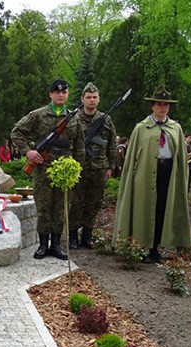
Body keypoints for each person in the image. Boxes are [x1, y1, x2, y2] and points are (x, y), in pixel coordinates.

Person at [113, 86, 191, 263]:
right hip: (145, 174)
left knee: (162, 209)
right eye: (159, 104)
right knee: (144, 209)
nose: (163, 108)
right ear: (153, 106)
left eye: (166, 105)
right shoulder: (141, 128)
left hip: (167, 173)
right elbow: (132, 157)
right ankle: (141, 247)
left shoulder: (175, 128)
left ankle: (155, 248)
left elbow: (180, 156)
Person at [10, 78, 85, 260]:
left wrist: (77, 168)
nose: (61, 95)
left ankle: (56, 245)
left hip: (64, 170)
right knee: (44, 207)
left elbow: (79, 146)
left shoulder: (74, 118)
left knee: (60, 207)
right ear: (51, 94)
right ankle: (43, 245)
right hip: (43, 167)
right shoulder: (38, 115)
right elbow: (16, 132)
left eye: (64, 92)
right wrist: (28, 152)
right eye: (57, 92)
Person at [68, 82, 117, 250]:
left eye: (94, 97)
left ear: (99, 99)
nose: (91, 100)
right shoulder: (74, 118)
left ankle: (87, 236)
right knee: (75, 202)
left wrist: (110, 166)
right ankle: (73, 236)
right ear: (82, 99)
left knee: (94, 202)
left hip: (99, 167)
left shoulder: (106, 120)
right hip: (78, 168)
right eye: (88, 97)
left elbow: (111, 144)